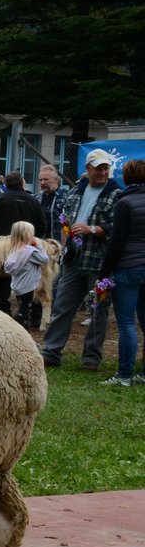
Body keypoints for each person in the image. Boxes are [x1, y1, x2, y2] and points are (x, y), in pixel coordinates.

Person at [40, 149, 121, 370]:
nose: (103, 172)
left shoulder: (116, 194)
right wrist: (67, 241)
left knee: (98, 311)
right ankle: (51, 352)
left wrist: (92, 229)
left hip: (100, 263)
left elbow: (118, 228)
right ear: (88, 169)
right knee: (62, 307)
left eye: (106, 168)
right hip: (74, 261)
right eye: (98, 168)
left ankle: (91, 358)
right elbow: (65, 220)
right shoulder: (76, 191)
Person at [0, 170, 50, 314]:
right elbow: (42, 225)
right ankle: (33, 315)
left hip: (3, 250)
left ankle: (3, 311)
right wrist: (33, 240)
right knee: (33, 281)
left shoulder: (0, 200)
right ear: (22, 183)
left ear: (6, 184)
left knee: (2, 280)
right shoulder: (33, 200)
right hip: (29, 248)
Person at [98, 158, 145, 386]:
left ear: (126, 178)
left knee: (126, 323)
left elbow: (116, 242)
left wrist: (103, 273)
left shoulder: (124, 204)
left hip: (128, 267)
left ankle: (125, 374)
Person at [32, 165, 66, 327]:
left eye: (46, 179)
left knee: (57, 282)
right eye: (41, 180)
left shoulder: (65, 197)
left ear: (56, 180)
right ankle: (38, 314)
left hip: (59, 247)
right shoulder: (37, 198)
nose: (43, 183)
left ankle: (56, 316)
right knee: (39, 281)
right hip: (40, 248)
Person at [3, 221, 49, 330]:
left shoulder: (15, 250)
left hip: (18, 287)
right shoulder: (30, 252)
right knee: (24, 312)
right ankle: (11, 328)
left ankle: (25, 330)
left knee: (25, 309)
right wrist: (38, 245)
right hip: (28, 287)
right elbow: (45, 259)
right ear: (28, 235)